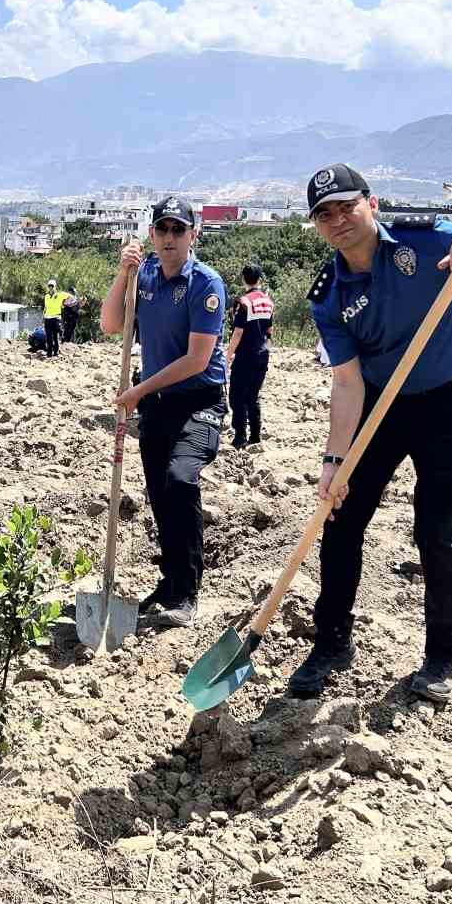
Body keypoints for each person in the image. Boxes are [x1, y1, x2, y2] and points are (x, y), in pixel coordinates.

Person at [292, 164, 452, 705]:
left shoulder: (429, 240)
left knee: (436, 530)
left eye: (346, 206)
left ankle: (441, 655)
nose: (338, 220)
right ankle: (332, 642)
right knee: (340, 516)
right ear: (316, 225)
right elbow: (347, 382)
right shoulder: (329, 295)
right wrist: (335, 460)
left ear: (371, 203)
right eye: (324, 214)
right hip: (380, 406)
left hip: (448, 402)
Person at [100, 196, 227, 629]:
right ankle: (170, 583)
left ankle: (188, 591)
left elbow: (196, 359)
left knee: (180, 479)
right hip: (157, 403)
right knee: (159, 493)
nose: (170, 238)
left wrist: (138, 389)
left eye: (178, 230)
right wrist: (123, 274)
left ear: (193, 234)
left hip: (200, 400)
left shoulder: (206, 284)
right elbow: (111, 324)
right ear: (152, 235)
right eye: (162, 230)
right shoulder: (146, 275)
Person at [225, 263, 274, 448]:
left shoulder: (243, 302)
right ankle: (255, 435)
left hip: (245, 355)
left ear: (243, 279)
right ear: (259, 279)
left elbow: (237, 333)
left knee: (237, 396)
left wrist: (228, 356)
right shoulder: (268, 302)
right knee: (253, 396)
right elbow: (270, 331)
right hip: (262, 354)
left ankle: (239, 436)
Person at [42, 279, 66, 357]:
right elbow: (46, 307)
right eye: (49, 286)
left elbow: (70, 297)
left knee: (55, 336)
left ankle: (56, 352)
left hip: (56, 318)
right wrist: (44, 316)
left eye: (52, 286)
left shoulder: (60, 295)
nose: (51, 287)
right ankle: (49, 353)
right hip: (47, 318)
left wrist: (78, 300)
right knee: (48, 336)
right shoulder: (46, 296)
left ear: (55, 287)